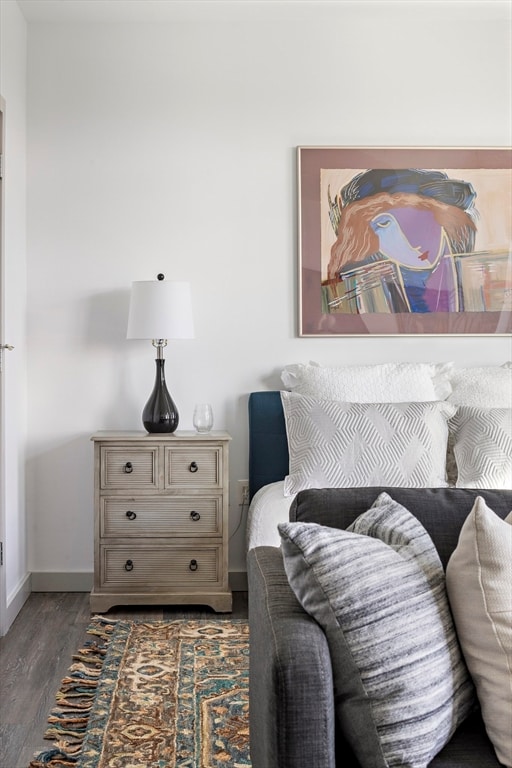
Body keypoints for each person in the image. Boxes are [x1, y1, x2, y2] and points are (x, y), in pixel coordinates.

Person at [326, 168, 478, 313]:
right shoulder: (364, 298)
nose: (414, 243)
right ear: (366, 239)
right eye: (384, 225)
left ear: (445, 218)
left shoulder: (480, 281)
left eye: (418, 218)